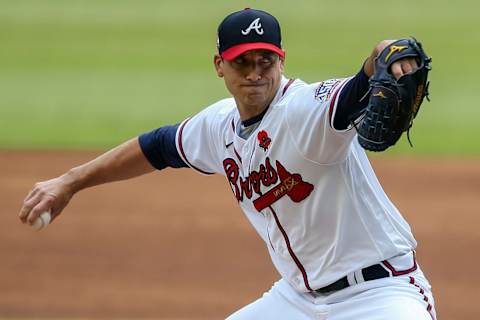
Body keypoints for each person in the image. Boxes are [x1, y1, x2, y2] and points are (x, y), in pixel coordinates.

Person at [19, 8, 436, 320]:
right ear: (219, 65)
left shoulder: (304, 110)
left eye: (265, 61)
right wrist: (70, 181)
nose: (255, 73)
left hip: (380, 295)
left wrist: (384, 53)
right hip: (297, 300)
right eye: (242, 62)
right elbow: (159, 147)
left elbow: (357, 86)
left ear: (281, 60)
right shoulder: (219, 125)